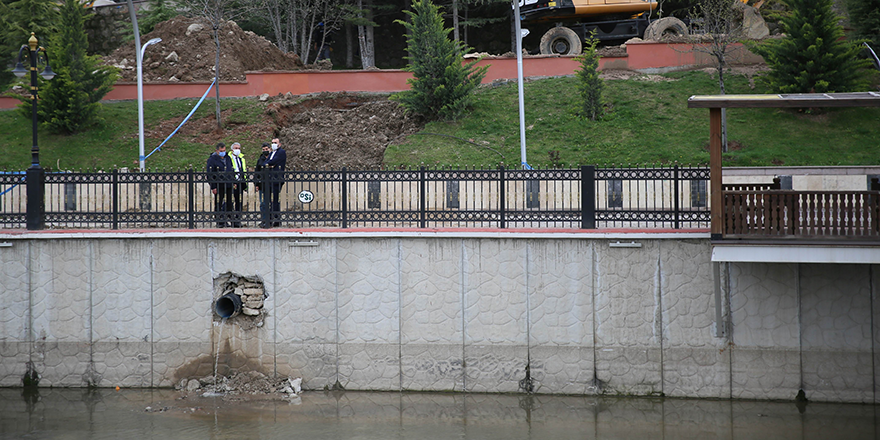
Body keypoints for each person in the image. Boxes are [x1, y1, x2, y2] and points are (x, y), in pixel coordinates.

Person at [206, 142, 233, 228]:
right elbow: (210, 174)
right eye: (221, 151)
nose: (223, 152)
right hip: (218, 184)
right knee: (219, 202)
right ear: (217, 151)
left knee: (229, 202)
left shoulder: (228, 158)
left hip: (228, 183)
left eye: (224, 150)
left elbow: (231, 169)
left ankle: (226, 219)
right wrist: (213, 186)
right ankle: (219, 220)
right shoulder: (212, 159)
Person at [265, 137, 287, 227]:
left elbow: (273, 161)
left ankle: (276, 219)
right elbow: (266, 162)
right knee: (269, 200)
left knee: (275, 200)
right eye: (272, 142)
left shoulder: (281, 152)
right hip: (269, 179)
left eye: (275, 142)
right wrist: (269, 164)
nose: (273, 144)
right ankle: (270, 219)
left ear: (279, 144)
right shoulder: (271, 153)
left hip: (277, 178)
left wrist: (270, 164)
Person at [229, 142, 247, 228]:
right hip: (232, 182)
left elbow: (243, 170)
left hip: (240, 182)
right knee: (229, 201)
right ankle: (229, 217)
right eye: (236, 148)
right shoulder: (229, 158)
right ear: (232, 149)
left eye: (239, 148)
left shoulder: (241, 158)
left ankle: (238, 219)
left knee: (239, 201)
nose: (237, 150)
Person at [254, 142, 271, 223]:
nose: (265, 151)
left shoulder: (272, 158)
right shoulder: (260, 160)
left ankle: (271, 220)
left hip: (271, 184)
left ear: (270, 149)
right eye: (263, 149)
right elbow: (256, 172)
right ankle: (264, 219)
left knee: (271, 202)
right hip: (262, 185)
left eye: (266, 149)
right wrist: (256, 184)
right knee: (263, 203)